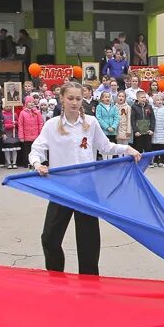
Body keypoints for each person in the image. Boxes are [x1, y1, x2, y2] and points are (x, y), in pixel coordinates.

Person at [28, 82, 141, 274]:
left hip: (87, 189)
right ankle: (56, 277)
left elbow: (105, 146)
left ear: (83, 100)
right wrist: (38, 164)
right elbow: (37, 149)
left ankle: (89, 281)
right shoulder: (52, 125)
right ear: (62, 98)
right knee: (49, 238)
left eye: (78, 98)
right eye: (70, 98)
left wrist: (127, 149)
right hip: (61, 189)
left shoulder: (91, 123)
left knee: (88, 241)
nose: (74, 102)